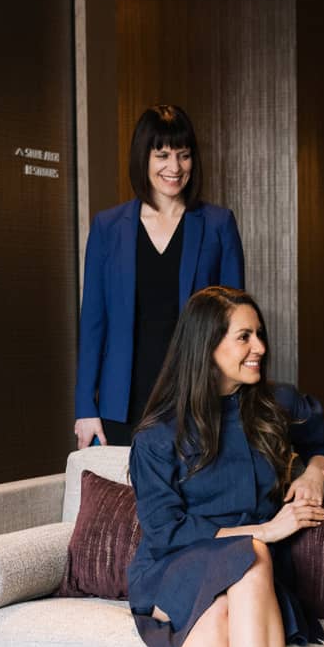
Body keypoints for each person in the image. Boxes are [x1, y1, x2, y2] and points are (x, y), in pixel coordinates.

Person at [111, 286, 324, 647]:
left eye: (260, 335)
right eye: (244, 337)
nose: (259, 347)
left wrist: (313, 474)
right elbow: (166, 532)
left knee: (219, 620)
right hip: (174, 568)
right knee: (252, 553)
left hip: (244, 587)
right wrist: (265, 530)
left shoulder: (275, 405)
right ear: (206, 346)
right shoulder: (158, 435)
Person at [74, 104, 244, 449]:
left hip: (195, 398)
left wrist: (230, 402)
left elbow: (235, 324)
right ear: (144, 158)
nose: (174, 167)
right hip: (120, 402)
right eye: (162, 155)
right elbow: (93, 323)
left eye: (184, 155)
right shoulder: (108, 227)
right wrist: (85, 408)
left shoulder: (218, 224)